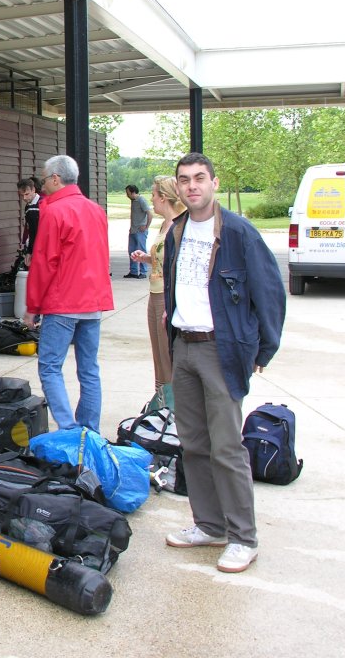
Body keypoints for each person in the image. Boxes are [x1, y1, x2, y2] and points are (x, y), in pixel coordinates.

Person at [162, 153, 286, 574]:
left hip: (222, 349)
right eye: (184, 180)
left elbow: (270, 293)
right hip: (184, 345)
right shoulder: (177, 231)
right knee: (194, 443)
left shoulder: (239, 233)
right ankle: (209, 525)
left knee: (227, 447)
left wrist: (263, 350)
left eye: (200, 178)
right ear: (178, 187)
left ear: (214, 183)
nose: (192, 186)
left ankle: (243, 538)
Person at [22, 155, 113, 432]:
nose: (42, 185)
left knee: (50, 367)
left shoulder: (54, 211)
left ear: (55, 179)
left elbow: (44, 261)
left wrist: (33, 306)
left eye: (44, 179)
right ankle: (89, 431)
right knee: (89, 369)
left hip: (63, 301)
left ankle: (69, 430)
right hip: (92, 301)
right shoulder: (96, 210)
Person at [130, 176, 185, 408]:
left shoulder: (179, 226)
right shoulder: (164, 225)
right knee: (158, 354)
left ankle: (174, 405)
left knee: (167, 353)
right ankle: (162, 400)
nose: (151, 199)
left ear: (163, 197)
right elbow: (163, 259)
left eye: (153, 194)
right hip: (154, 294)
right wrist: (146, 258)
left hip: (165, 296)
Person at [125, 184, 154, 278]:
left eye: (128, 193)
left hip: (140, 231)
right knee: (132, 251)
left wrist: (146, 226)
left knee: (141, 251)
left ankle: (143, 272)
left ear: (133, 192)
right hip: (133, 230)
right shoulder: (133, 201)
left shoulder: (141, 200)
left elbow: (150, 213)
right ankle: (133, 272)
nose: (127, 195)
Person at [17, 177, 42, 265]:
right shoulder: (30, 205)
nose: (24, 198)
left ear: (33, 190)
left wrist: (30, 251)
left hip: (40, 247)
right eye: (22, 195)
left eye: (27, 194)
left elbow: (34, 232)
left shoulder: (34, 208)